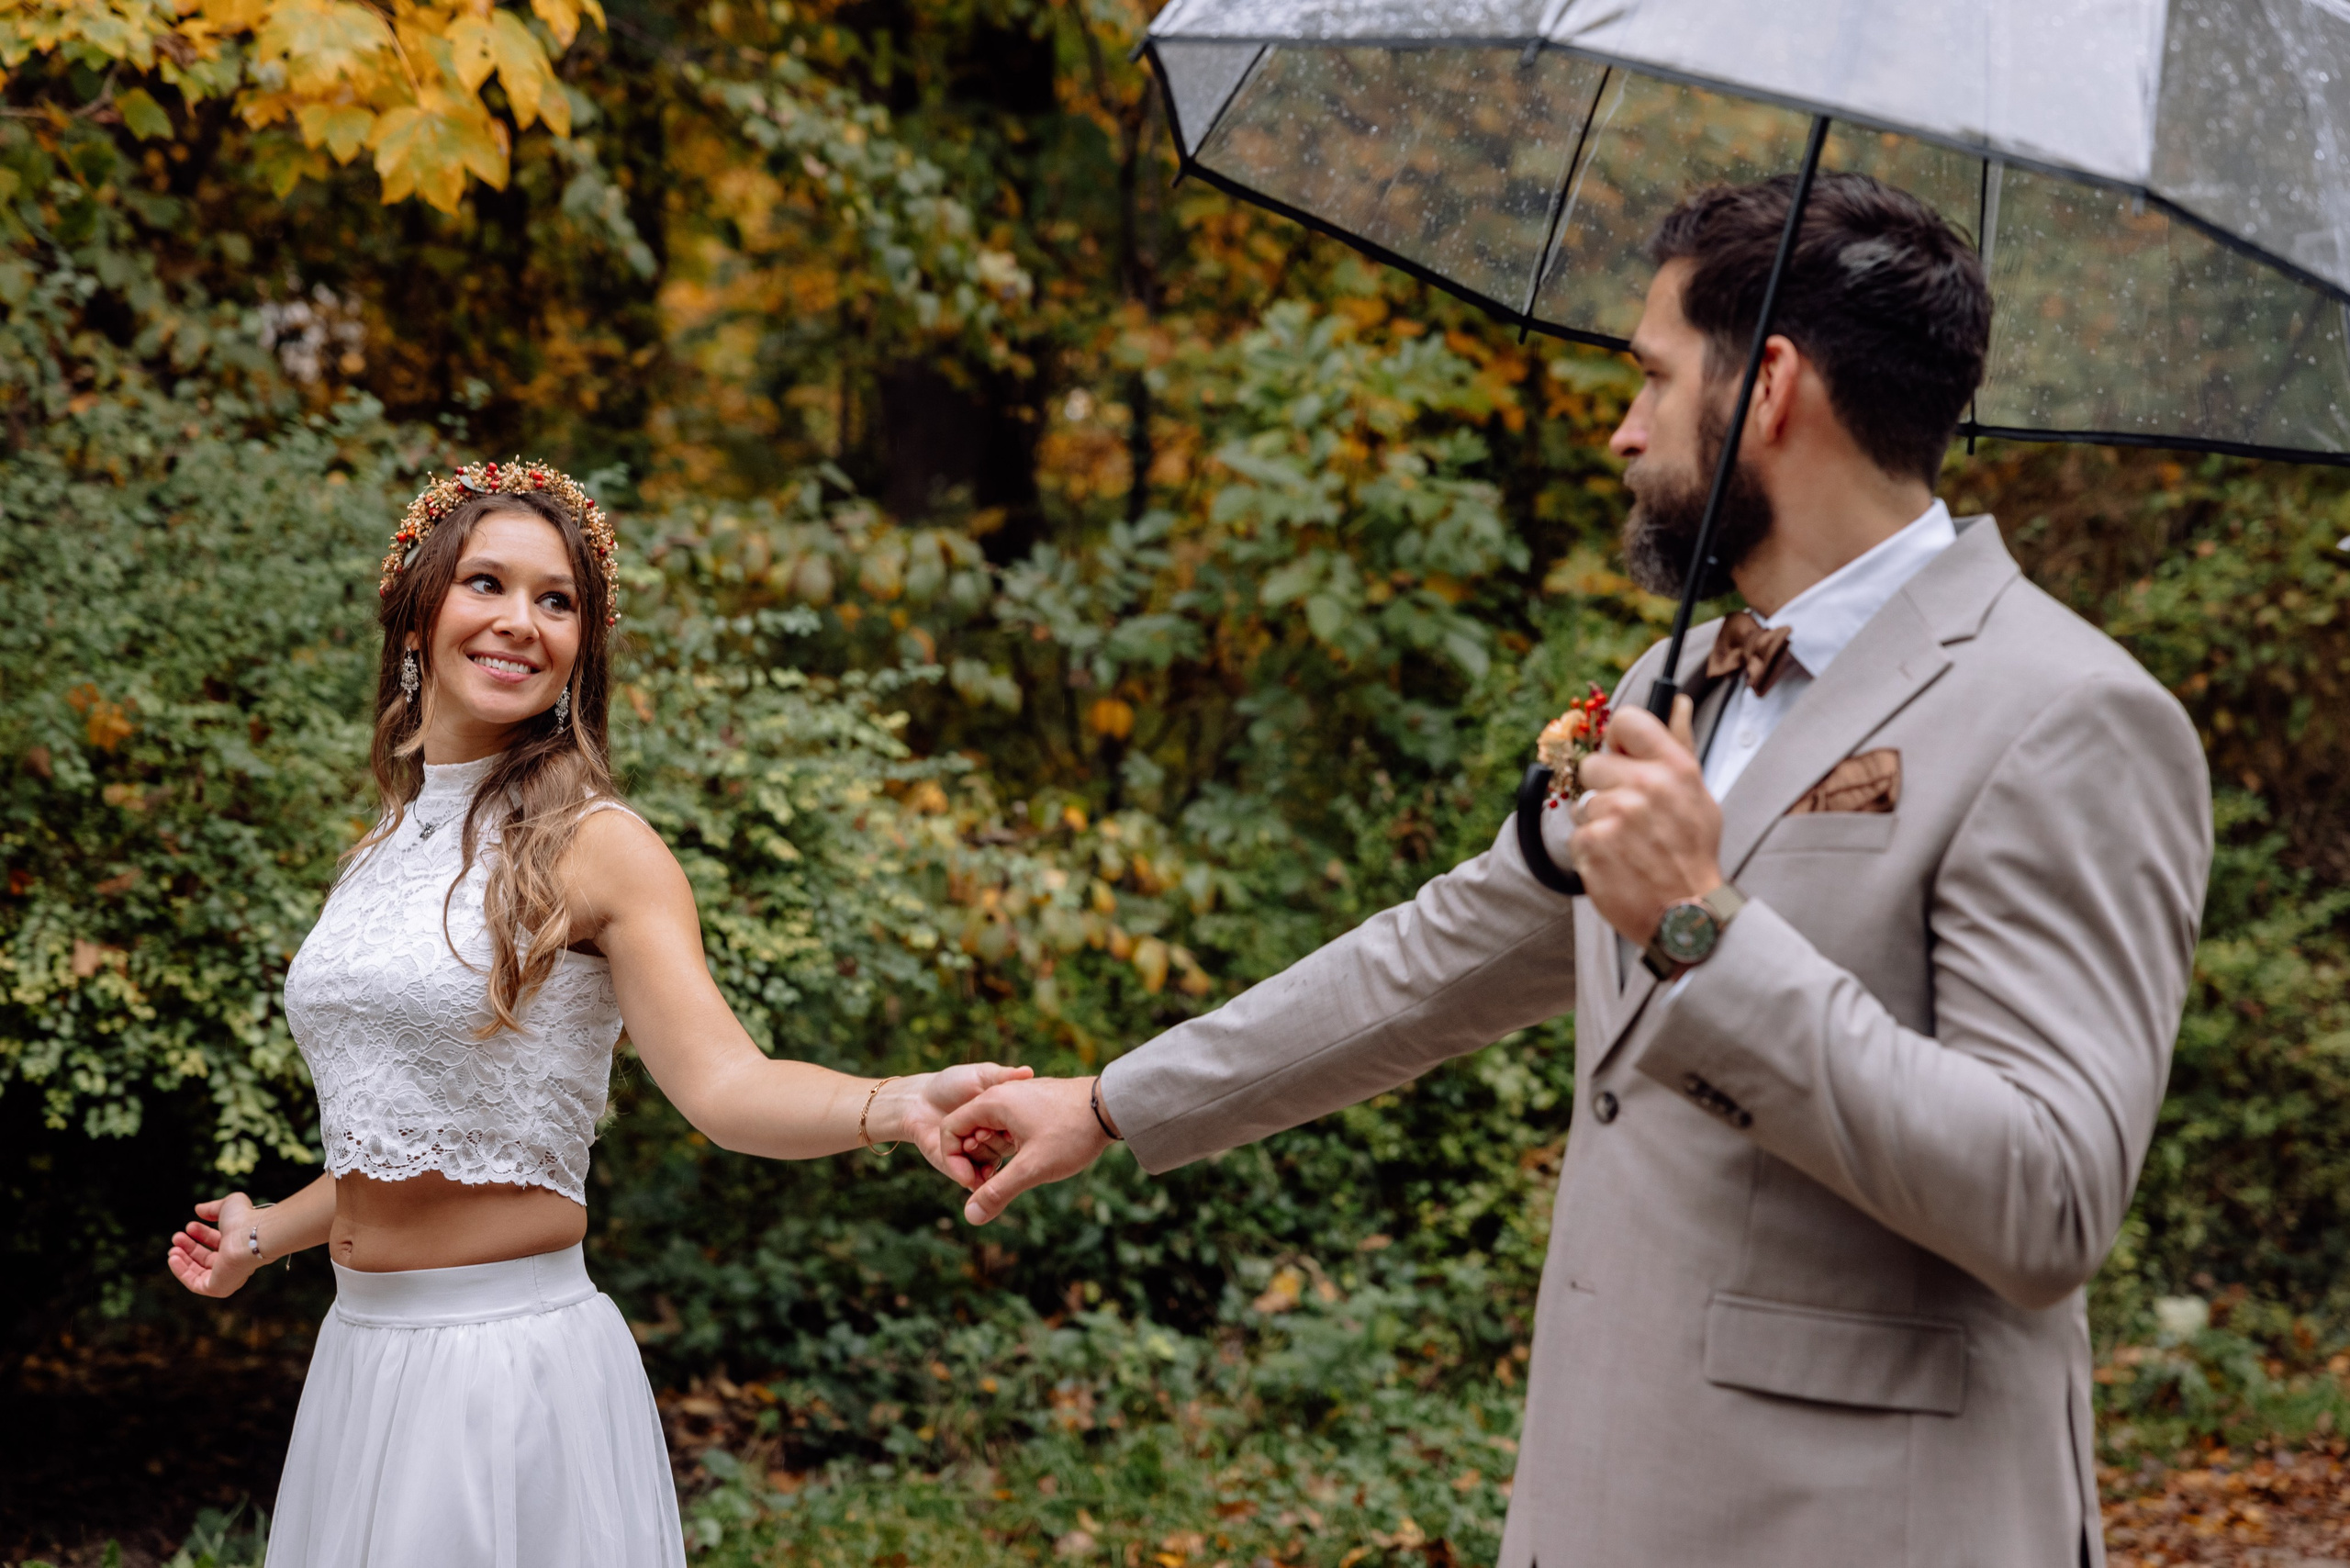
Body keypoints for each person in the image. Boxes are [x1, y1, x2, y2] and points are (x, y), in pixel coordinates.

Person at [941, 174, 2213, 1568]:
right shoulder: (1673, 687)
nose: (1624, 431)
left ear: (1769, 387)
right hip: (1601, 1502)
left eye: (1654, 379)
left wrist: (1696, 927)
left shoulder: (2072, 715)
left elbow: (2048, 1201)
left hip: (1864, 1527)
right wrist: (1116, 1105)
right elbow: (1444, 958)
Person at [166, 461, 1022, 1568]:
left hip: (504, 1371)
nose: (521, 621)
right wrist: (263, 1232)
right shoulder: (381, 850)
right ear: (419, 617)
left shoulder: (597, 844)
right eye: (487, 583)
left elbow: (726, 1085)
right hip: (361, 1357)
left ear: (581, 646)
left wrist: (896, 1102)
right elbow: (429, 1132)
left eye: (557, 600)